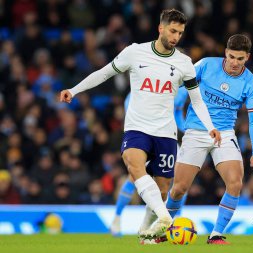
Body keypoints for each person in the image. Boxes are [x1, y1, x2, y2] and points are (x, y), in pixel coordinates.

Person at [60, 9, 221, 242]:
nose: (176, 36)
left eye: (180, 33)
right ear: (161, 28)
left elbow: (196, 100)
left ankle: (145, 235)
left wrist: (209, 127)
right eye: (173, 31)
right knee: (134, 167)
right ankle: (165, 218)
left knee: (163, 189)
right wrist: (73, 90)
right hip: (137, 128)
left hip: (166, 132)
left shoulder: (185, 63)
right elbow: (104, 73)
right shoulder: (135, 52)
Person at [166, 34, 253, 244]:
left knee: (235, 183)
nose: (235, 63)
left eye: (240, 59)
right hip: (196, 131)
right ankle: (163, 228)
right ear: (225, 53)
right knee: (179, 188)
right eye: (231, 57)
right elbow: (181, 94)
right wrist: (179, 123)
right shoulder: (206, 65)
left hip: (225, 134)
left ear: (247, 57)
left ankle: (216, 234)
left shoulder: (252, 84)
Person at [110, 87, 188, 237]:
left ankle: (175, 221)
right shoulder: (140, 87)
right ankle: (117, 217)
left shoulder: (183, 90)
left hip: (168, 139)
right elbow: (130, 116)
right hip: (145, 138)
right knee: (134, 177)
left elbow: (177, 113)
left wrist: (188, 129)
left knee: (180, 180)